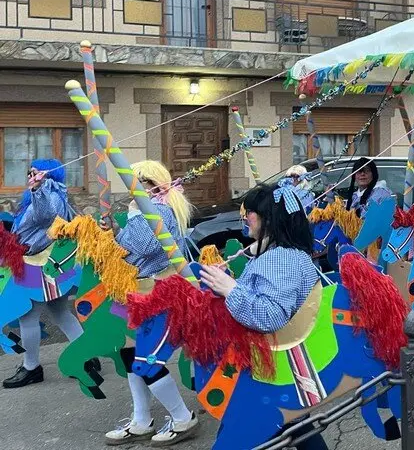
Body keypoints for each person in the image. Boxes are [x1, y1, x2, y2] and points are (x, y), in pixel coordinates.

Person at [199, 182, 327, 450]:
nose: (245, 217)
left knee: (242, 434)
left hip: (270, 368)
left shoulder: (282, 258)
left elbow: (271, 315)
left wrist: (230, 289)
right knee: (296, 428)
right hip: (269, 365)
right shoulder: (273, 254)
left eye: (250, 212)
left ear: (269, 218)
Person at [104, 160, 199, 446]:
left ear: (151, 185)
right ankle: (141, 420)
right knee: (130, 355)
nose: (130, 191)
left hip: (160, 295)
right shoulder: (147, 209)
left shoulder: (155, 210)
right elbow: (132, 249)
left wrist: (129, 219)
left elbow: (142, 247)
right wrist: (114, 231)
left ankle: (183, 418)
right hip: (140, 292)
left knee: (146, 361)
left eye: (135, 184)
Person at [2, 159, 86, 389]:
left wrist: (38, 188)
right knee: (60, 312)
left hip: (39, 266)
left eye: (36, 171)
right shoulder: (48, 193)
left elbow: (45, 215)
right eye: (30, 171)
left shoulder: (51, 194)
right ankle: (85, 356)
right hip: (42, 263)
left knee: (27, 316)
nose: (31, 175)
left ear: (49, 174)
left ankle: (31, 368)